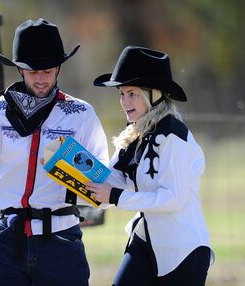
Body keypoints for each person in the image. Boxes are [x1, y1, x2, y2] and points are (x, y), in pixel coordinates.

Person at [0, 18, 108, 286]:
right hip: (6, 240)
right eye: (32, 71)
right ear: (19, 70)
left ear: (58, 67)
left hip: (61, 242)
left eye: (47, 70)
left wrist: (72, 165)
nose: (40, 79)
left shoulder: (81, 114)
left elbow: (102, 187)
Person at [86, 46, 214, 286]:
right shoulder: (133, 135)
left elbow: (172, 198)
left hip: (182, 251)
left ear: (154, 93)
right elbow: (111, 182)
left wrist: (114, 195)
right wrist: (73, 173)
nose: (124, 102)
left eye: (132, 93)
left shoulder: (174, 136)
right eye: (121, 93)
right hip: (146, 241)